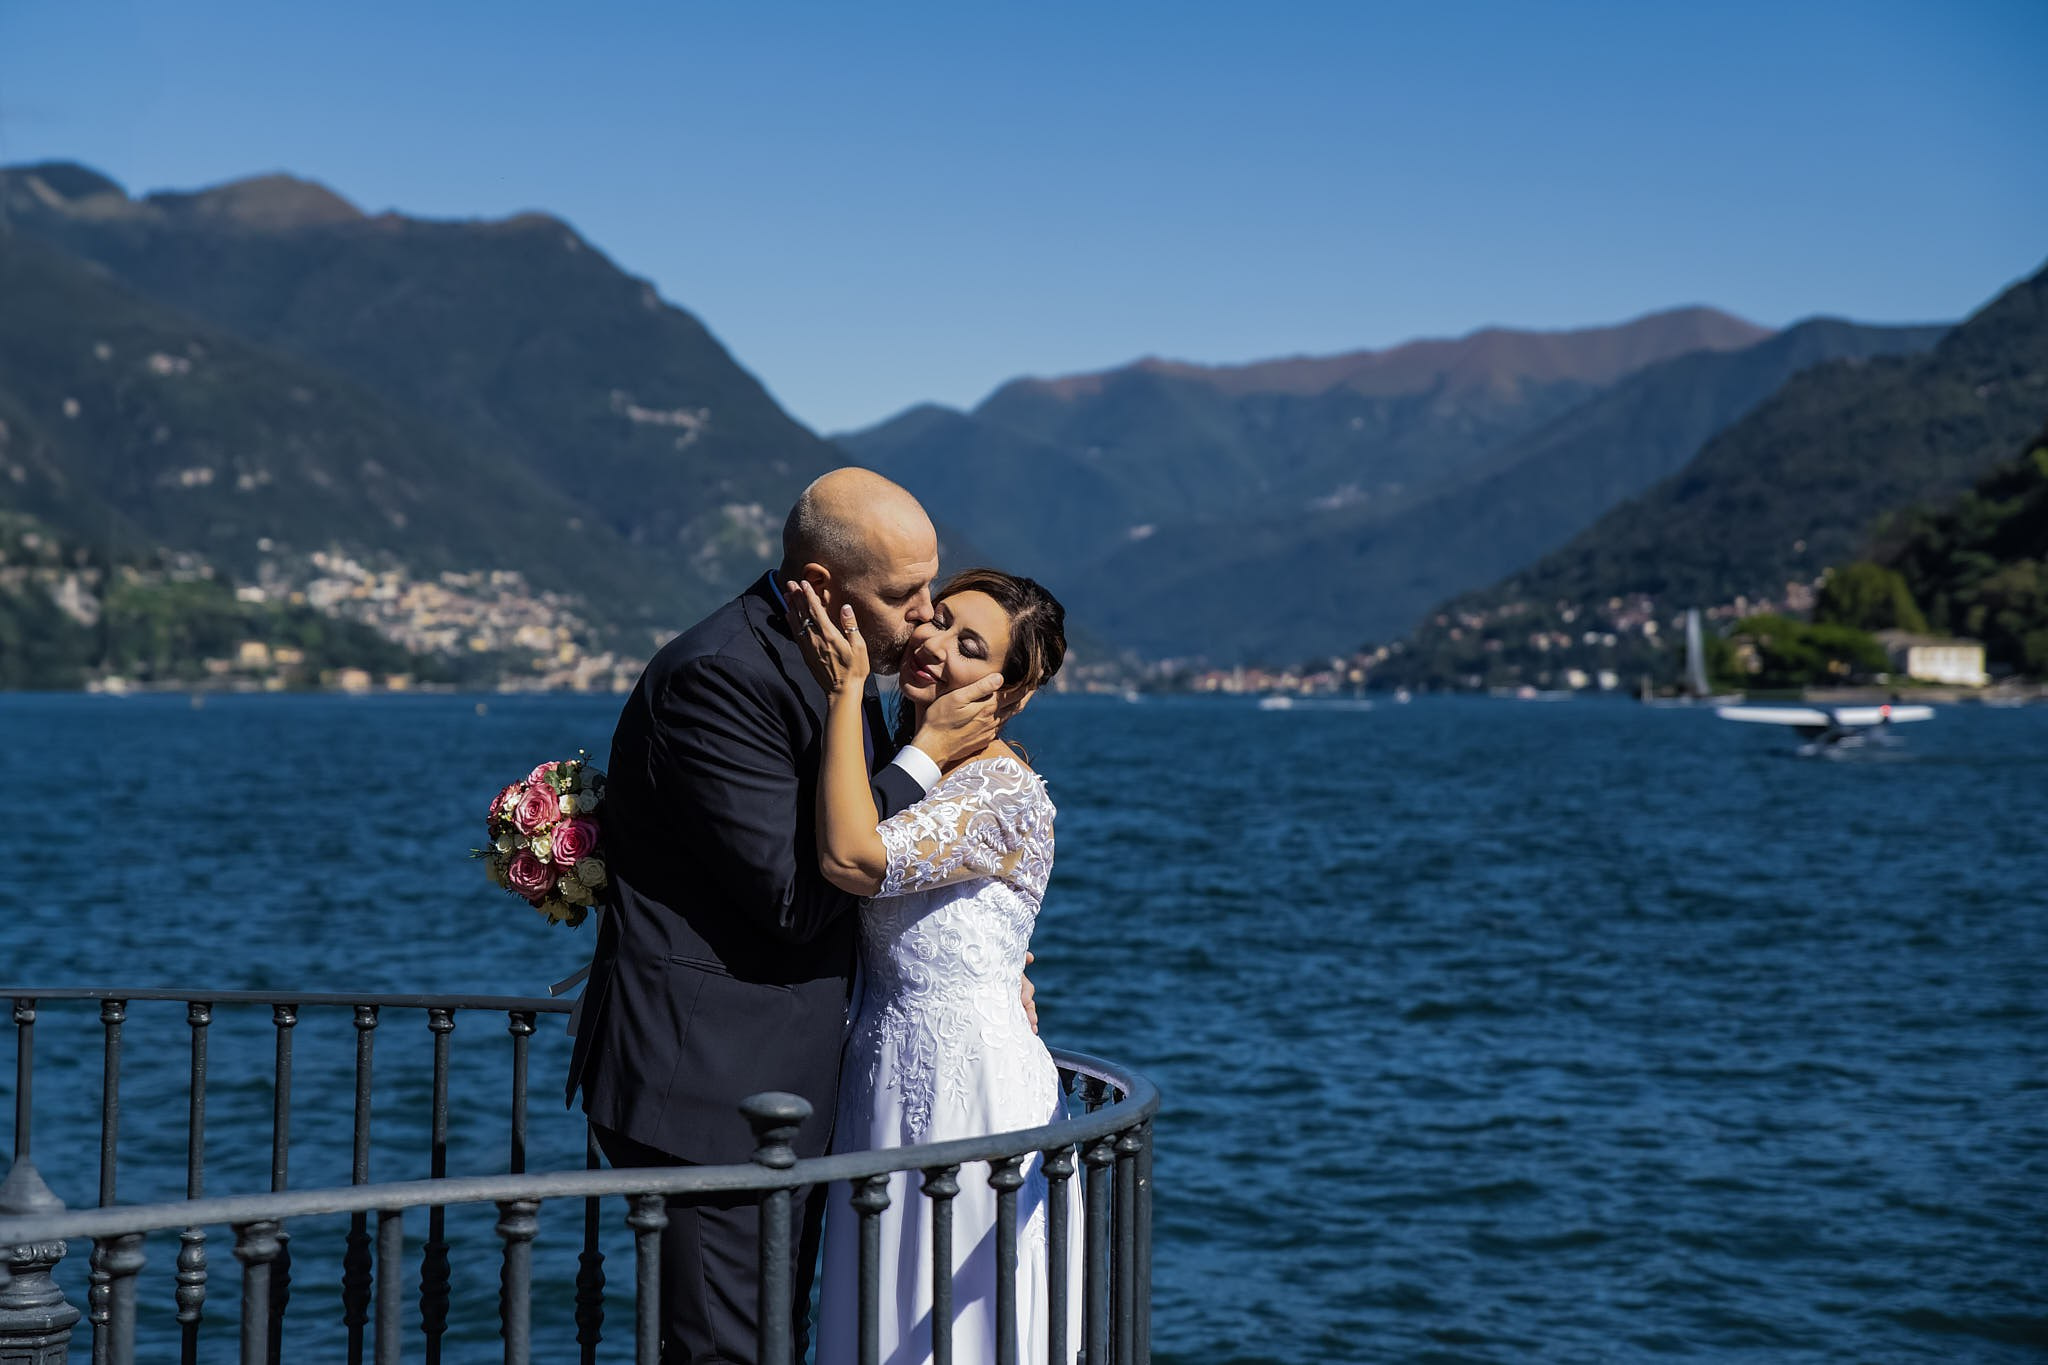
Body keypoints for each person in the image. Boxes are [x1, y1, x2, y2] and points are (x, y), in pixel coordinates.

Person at [564, 469, 1017, 1364]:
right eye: (902, 595)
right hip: (708, 1092)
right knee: (730, 1352)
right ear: (819, 588)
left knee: (773, 1339)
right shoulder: (721, 678)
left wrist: (987, 962)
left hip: (782, 1084)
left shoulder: (835, 664)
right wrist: (923, 758)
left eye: (931, 583)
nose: (925, 614)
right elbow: (796, 895)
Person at [787, 569, 1082, 1365]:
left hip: (973, 1090)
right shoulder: (898, 759)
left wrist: (847, 688)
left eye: (970, 646)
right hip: (878, 1079)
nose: (935, 646)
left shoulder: (1002, 791)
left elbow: (855, 858)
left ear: (1007, 692)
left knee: (953, 1327)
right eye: (941, 621)